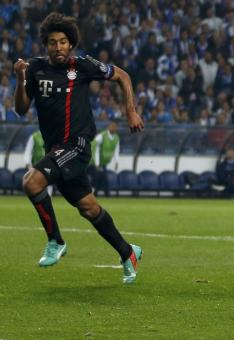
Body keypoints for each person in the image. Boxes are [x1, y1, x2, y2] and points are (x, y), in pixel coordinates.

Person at [13, 12, 144, 284]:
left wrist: (130, 111)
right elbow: (21, 109)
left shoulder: (82, 66)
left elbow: (122, 75)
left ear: (70, 43)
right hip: (56, 150)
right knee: (88, 208)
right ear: (45, 45)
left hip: (77, 145)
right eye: (52, 42)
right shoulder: (35, 69)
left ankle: (55, 242)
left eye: (63, 41)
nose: (58, 47)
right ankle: (128, 252)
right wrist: (19, 78)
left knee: (31, 182)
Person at [90, 122, 120, 197]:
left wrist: (117, 162)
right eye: (112, 126)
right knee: (98, 177)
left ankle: (96, 192)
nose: (114, 128)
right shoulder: (101, 136)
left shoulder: (116, 138)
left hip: (103, 162)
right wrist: (97, 164)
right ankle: (104, 193)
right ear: (108, 127)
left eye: (115, 127)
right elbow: (95, 149)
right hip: (93, 162)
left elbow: (116, 150)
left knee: (100, 177)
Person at [24, 129, 53, 196]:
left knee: (49, 181)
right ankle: (39, 196)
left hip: (49, 163)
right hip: (37, 164)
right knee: (37, 181)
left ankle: (49, 196)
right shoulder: (34, 136)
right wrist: (27, 163)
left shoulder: (52, 135)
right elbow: (28, 150)